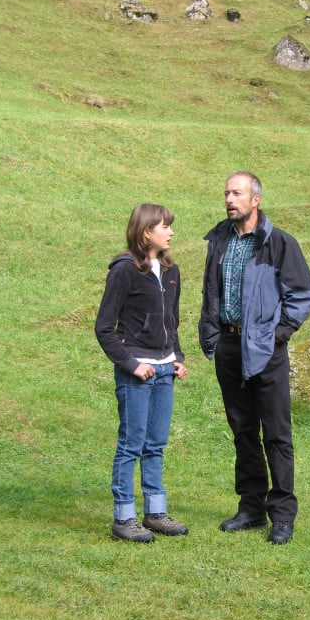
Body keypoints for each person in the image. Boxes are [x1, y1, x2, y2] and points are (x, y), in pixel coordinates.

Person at [198, 172, 310, 545]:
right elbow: (212, 293)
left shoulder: (279, 243)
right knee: (243, 430)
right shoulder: (218, 240)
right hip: (229, 349)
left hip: (267, 352)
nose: (229, 199)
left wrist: (276, 336)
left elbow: (302, 297)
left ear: (256, 200)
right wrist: (213, 337)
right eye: (226, 193)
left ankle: (282, 515)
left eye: (237, 193)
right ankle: (251, 507)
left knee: (276, 435)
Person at [95, 203, 189, 542]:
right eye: (166, 226)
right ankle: (123, 518)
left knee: (156, 444)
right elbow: (104, 328)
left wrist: (177, 357)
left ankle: (155, 512)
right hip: (138, 371)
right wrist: (133, 364)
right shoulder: (123, 270)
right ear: (146, 231)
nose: (171, 232)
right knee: (131, 444)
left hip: (164, 371)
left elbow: (172, 321)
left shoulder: (171, 270)